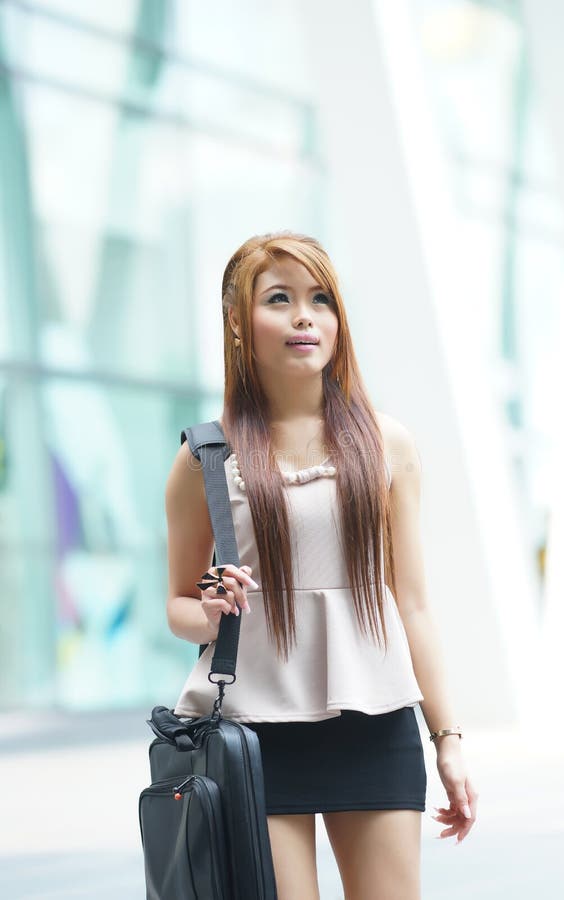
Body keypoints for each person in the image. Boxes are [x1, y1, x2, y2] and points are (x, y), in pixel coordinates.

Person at [165, 231, 478, 900]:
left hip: (375, 722)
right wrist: (214, 611)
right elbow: (178, 607)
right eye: (279, 298)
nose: (306, 316)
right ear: (238, 323)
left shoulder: (385, 443)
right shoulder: (206, 458)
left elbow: (413, 603)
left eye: (321, 300)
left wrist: (446, 738)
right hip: (253, 734)